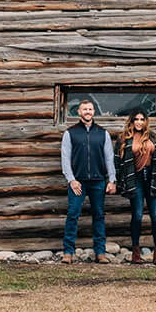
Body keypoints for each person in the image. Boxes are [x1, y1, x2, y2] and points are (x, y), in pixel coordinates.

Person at [59, 98, 116, 263]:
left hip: (98, 181)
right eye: (84, 109)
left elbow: (109, 159)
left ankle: (100, 252)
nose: (88, 112)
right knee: (72, 215)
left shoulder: (102, 133)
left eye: (90, 109)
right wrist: (71, 180)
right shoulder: (70, 133)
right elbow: (65, 160)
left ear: (94, 111)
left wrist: (111, 180)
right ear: (79, 112)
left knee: (99, 216)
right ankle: (68, 252)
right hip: (78, 183)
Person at [116, 108, 156, 264]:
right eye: (136, 119)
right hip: (135, 179)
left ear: (146, 121)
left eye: (141, 119)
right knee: (137, 216)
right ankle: (136, 251)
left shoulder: (155, 138)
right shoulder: (124, 139)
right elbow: (117, 162)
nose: (139, 122)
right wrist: (120, 181)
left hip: (152, 178)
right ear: (131, 121)